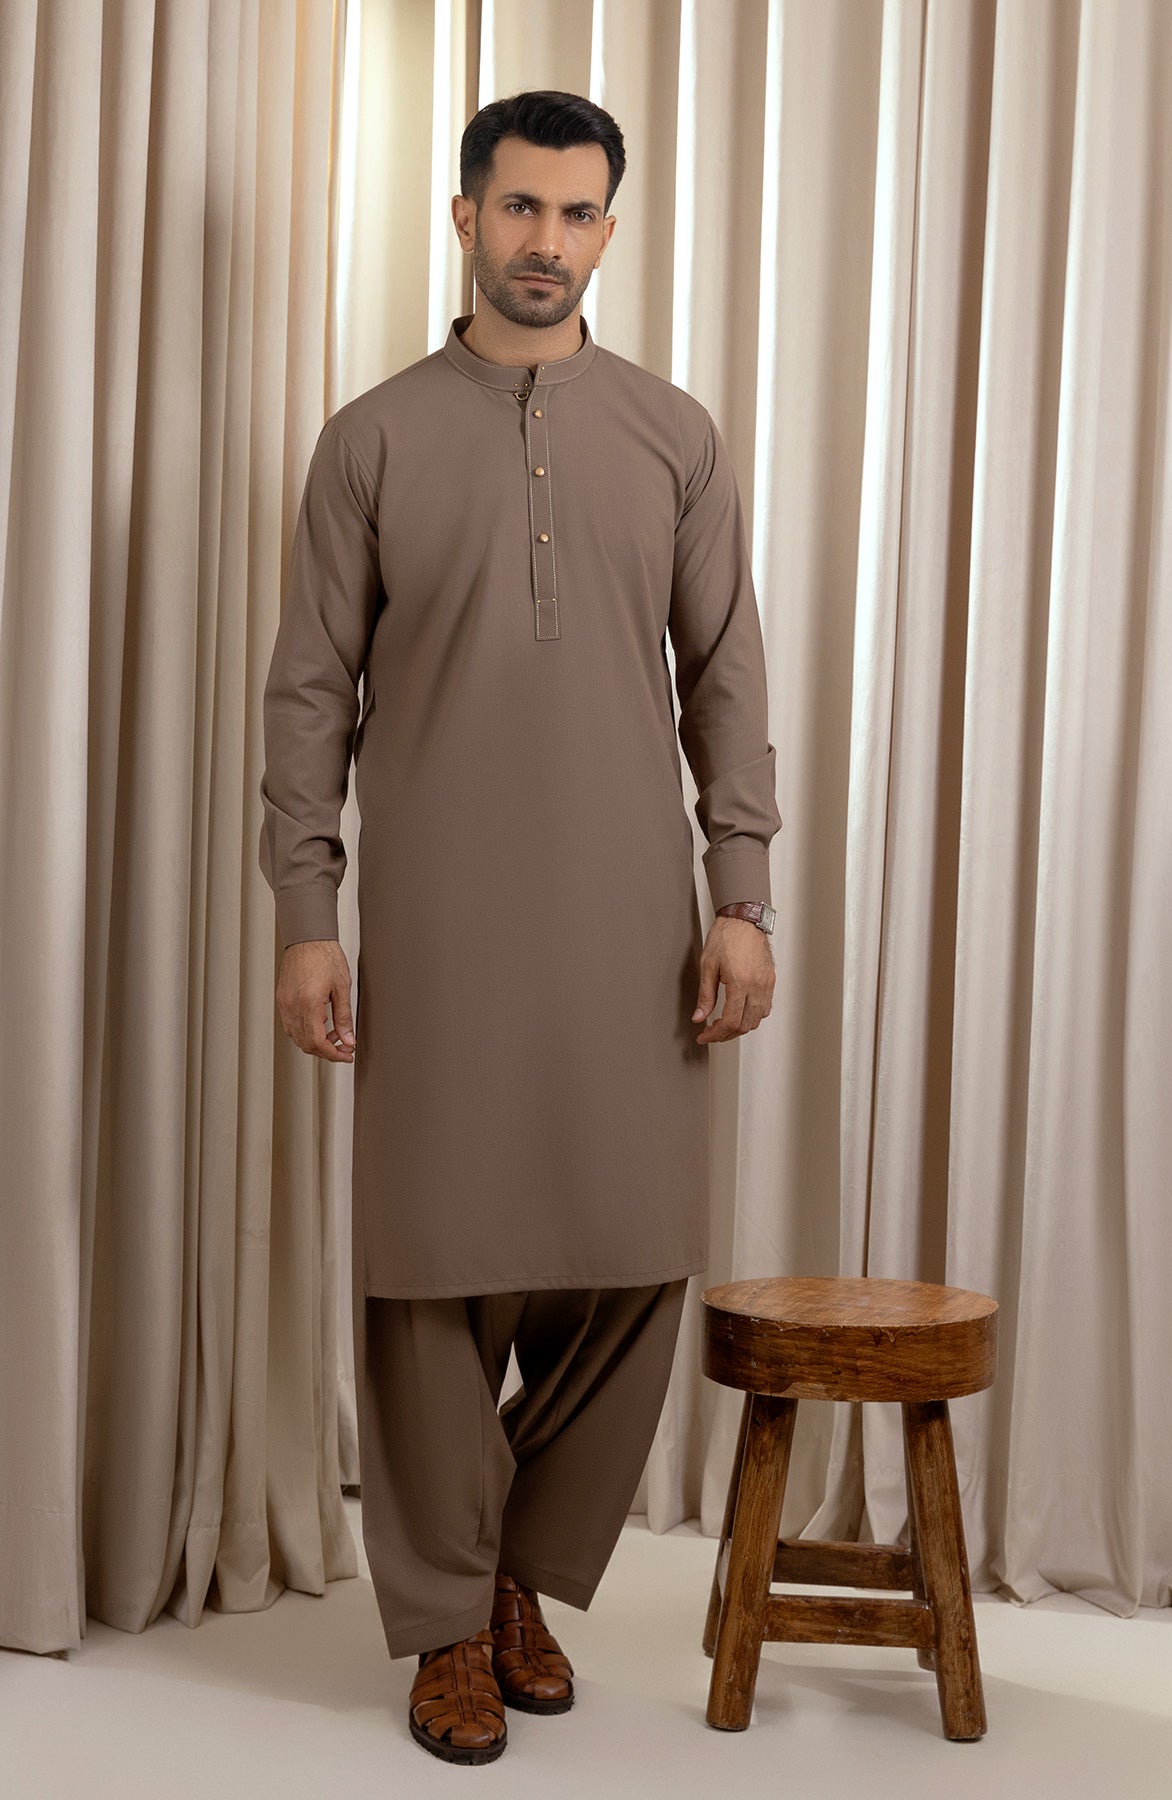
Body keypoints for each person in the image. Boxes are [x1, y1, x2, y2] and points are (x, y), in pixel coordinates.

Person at [258, 88, 782, 1766]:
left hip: (635, 919)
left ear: (609, 231)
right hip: (438, 921)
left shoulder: (674, 435)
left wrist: (742, 895)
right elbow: (309, 695)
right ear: (466, 217)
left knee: (634, 1254)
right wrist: (310, 914)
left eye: (576, 213)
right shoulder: (373, 440)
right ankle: (442, 1626)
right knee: (432, 1272)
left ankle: (512, 1579)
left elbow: (726, 679)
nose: (546, 240)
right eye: (519, 208)